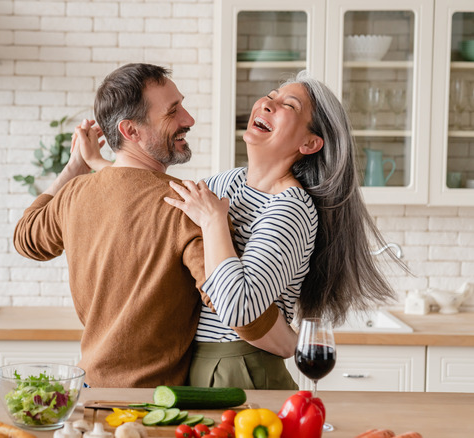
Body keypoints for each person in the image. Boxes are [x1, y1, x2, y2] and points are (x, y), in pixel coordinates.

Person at [13, 63, 287, 388]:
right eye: (173, 112)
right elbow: (238, 310)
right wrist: (296, 344)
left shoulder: (75, 194)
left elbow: (25, 238)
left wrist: (74, 167)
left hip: (88, 391)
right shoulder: (186, 206)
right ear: (131, 131)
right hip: (151, 406)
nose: (189, 119)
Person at [159, 70, 399, 388]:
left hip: (242, 369)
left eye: (289, 105)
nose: (267, 104)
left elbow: (239, 309)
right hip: (194, 363)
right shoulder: (223, 183)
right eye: (271, 96)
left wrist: (215, 222)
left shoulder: (291, 208)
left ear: (310, 142)